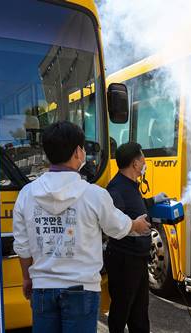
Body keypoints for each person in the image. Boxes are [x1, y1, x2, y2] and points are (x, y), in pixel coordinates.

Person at [13, 121, 151, 333]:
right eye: (83, 148)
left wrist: (26, 278)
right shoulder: (93, 194)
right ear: (78, 152)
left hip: (42, 289)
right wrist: (137, 225)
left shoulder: (26, 194)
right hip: (82, 290)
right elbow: (117, 226)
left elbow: (22, 246)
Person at [106, 142, 169, 333]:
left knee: (140, 311)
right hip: (124, 260)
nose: (145, 162)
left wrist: (153, 200)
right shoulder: (115, 189)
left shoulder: (131, 185)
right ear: (135, 163)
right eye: (142, 158)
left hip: (137, 258)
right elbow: (113, 224)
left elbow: (136, 205)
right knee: (121, 310)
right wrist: (135, 226)